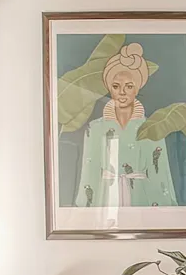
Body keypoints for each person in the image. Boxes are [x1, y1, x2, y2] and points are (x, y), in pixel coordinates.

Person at [74, 42, 179, 208]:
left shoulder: (151, 127)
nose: (122, 92)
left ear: (137, 89)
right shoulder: (94, 128)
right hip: (106, 199)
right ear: (109, 88)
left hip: (141, 200)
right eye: (116, 86)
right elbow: (89, 172)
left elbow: (159, 175)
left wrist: (163, 211)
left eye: (129, 86)